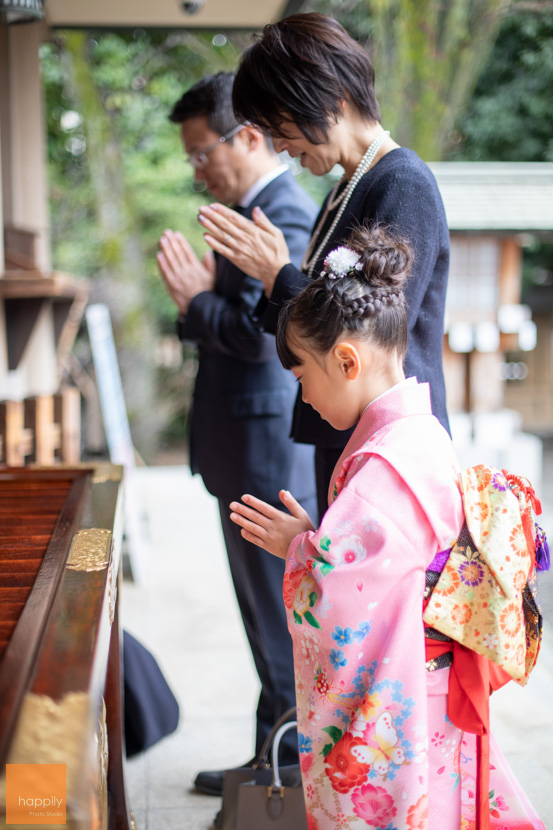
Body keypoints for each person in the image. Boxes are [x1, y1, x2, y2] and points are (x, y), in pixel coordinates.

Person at [228, 224, 546, 830]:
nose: (306, 397)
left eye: (303, 378)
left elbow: (341, 600)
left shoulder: (388, 467)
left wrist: (299, 551)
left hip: (410, 695)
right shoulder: (415, 437)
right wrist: (314, 542)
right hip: (430, 681)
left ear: (346, 361)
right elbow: (364, 566)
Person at [196, 13, 451, 520]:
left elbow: (368, 330)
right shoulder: (345, 189)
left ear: (329, 98)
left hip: (387, 447)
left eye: (279, 126)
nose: (280, 145)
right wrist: (279, 278)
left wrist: (277, 276)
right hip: (351, 432)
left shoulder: (403, 183)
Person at [156, 71, 319, 794]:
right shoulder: (250, 207)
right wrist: (195, 303)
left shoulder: (282, 211)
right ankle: (271, 757)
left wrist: (194, 302)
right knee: (264, 617)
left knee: (279, 618)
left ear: (246, 136)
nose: (197, 168)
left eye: (200, 153)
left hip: (265, 448)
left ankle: (285, 767)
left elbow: (264, 341)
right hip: (243, 444)